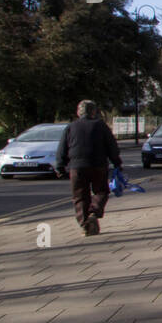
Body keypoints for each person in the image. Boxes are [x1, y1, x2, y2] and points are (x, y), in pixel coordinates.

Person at [56, 99, 122, 237]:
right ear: (93, 111)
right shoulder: (101, 125)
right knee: (101, 191)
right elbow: (112, 146)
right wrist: (117, 162)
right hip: (98, 165)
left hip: (77, 167)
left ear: (78, 112)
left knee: (80, 197)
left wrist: (60, 166)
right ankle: (94, 212)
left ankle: (85, 224)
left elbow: (62, 148)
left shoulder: (71, 127)